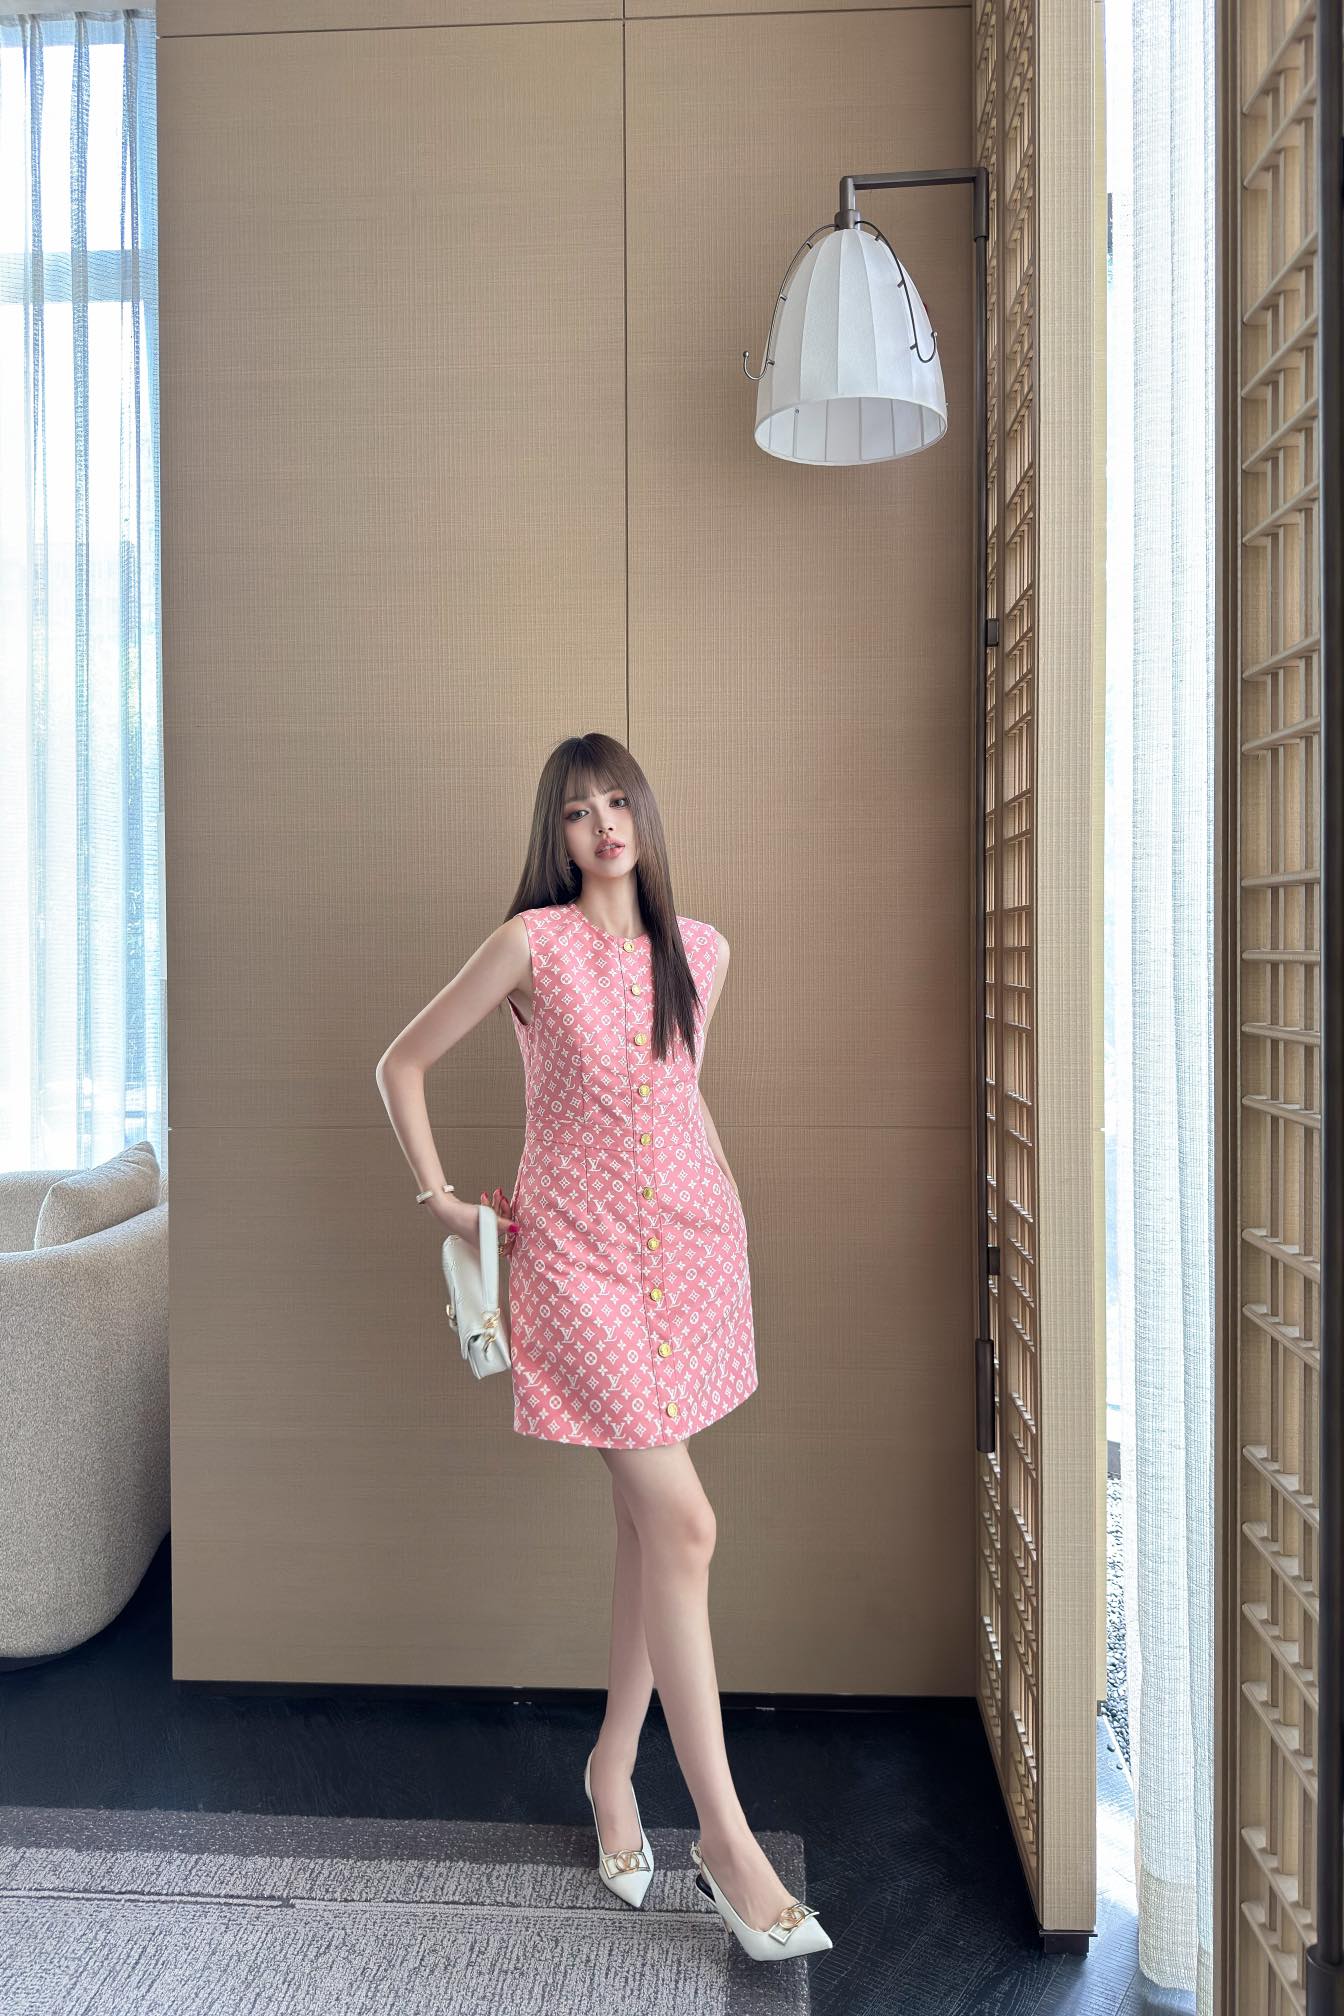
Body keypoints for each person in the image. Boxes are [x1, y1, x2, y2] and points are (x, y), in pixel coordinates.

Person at [375, 731, 832, 1963]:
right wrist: (444, 1202)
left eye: (620, 801)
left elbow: (682, 1100)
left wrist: (729, 1218)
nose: (604, 824)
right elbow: (401, 1063)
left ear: (645, 815)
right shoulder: (531, 946)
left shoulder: (702, 953)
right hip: (572, 1266)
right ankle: (726, 1842)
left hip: (690, 1253)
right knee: (687, 1525)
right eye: (579, 811)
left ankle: (612, 1771)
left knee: (649, 1530)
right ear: (557, 833)